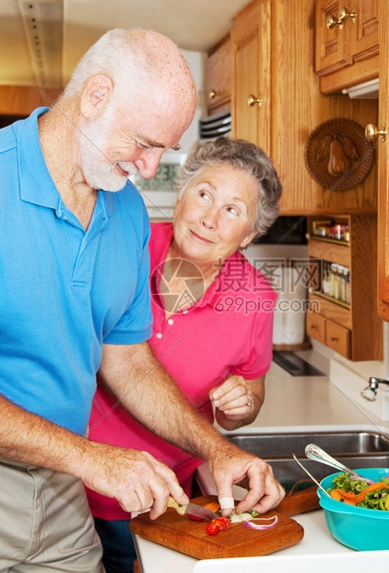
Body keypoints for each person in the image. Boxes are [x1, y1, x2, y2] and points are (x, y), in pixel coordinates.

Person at [0, 28, 284, 573]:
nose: (150, 170)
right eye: (145, 144)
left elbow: (126, 358)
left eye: (163, 151)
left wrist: (216, 448)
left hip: (56, 484)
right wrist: (91, 457)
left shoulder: (124, 213)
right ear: (95, 96)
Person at [86, 137, 282, 572]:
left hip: (167, 500)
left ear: (249, 234)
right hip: (73, 485)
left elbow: (250, 397)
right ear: (181, 196)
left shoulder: (256, 298)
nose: (210, 218)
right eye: (205, 194)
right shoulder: (123, 249)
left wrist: (241, 405)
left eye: (232, 210)